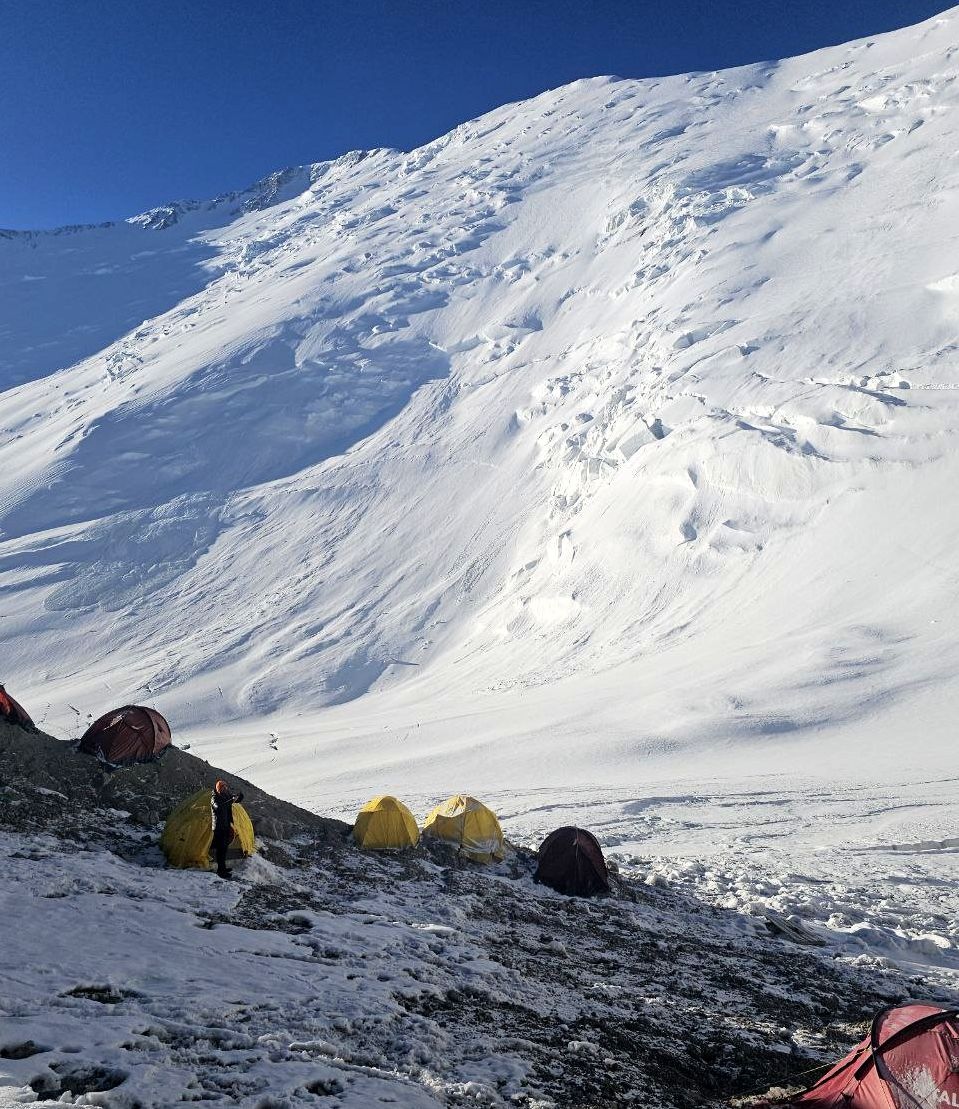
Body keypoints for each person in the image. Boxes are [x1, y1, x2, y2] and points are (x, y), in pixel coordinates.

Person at [211, 779, 244, 879]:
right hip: (218, 827)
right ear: (218, 789)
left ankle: (223, 868)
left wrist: (239, 796)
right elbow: (218, 807)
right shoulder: (214, 798)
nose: (225, 789)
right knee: (221, 849)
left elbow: (236, 800)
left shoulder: (226, 796)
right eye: (222, 788)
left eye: (225, 787)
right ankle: (221, 871)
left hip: (226, 826)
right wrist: (230, 800)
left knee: (224, 848)